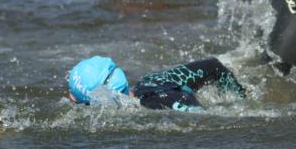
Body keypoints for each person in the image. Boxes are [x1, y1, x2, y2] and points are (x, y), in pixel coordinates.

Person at [66, 55, 246, 111]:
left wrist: (243, 106)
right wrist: (240, 97)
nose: (70, 96)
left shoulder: (160, 107)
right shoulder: (155, 80)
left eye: (72, 94)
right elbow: (213, 66)